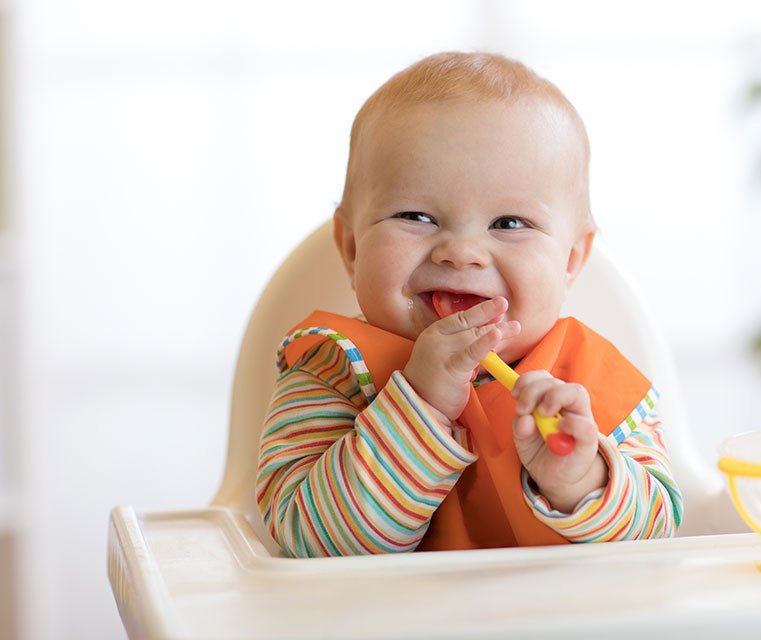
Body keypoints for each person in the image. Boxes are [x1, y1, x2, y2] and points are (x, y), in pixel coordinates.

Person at [256, 51, 682, 557]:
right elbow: (310, 539)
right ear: (351, 248)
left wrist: (580, 479)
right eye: (416, 216)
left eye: (508, 224)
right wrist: (421, 404)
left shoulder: (587, 381)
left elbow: (657, 543)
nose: (460, 253)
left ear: (570, 260)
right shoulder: (335, 368)